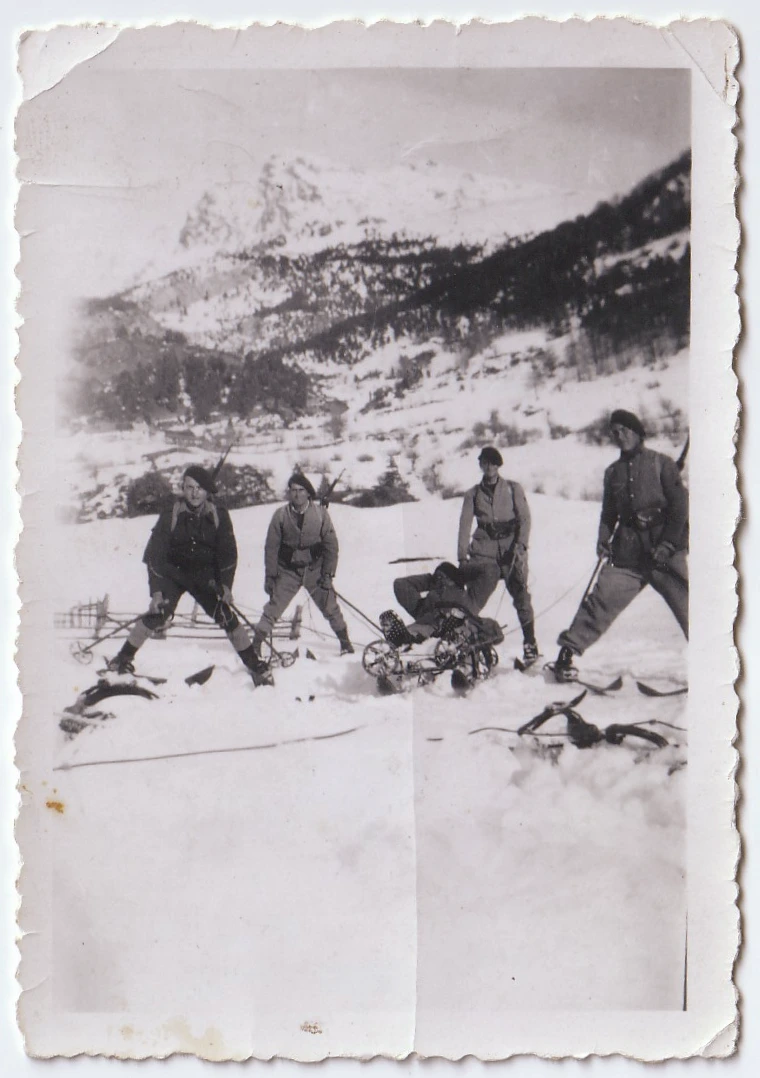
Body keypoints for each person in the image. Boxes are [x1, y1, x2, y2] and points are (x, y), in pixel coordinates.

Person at [552, 409, 689, 682]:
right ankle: (567, 653)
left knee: (689, 606)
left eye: (624, 430)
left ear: (638, 433)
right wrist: (603, 540)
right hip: (628, 555)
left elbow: (680, 508)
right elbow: (608, 514)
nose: (619, 436)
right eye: (615, 432)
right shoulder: (612, 473)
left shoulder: (661, 464)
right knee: (600, 600)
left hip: (664, 554)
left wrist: (669, 545)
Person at [108, 465, 270, 683]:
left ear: (207, 491)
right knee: (158, 613)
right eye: (190, 487)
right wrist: (156, 592)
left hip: (205, 577)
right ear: (182, 489)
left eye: (200, 488)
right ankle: (121, 659)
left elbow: (228, 554)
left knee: (226, 616)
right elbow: (154, 555)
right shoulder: (170, 514)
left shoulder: (219, 515)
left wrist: (226, 586)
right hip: (173, 574)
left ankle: (254, 664)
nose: (194, 493)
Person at [251, 473, 354, 657]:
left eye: (301, 490)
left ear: (308, 493)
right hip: (288, 571)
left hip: (315, 570)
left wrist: (328, 575)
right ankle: (256, 644)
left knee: (330, 607)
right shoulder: (281, 515)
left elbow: (331, 545)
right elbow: (271, 548)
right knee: (273, 608)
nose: (297, 495)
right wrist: (270, 576)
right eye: (293, 491)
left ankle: (345, 644)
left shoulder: (321, 514)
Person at [457, 446, 538, 664]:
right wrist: (462, 555)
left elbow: (525, 519)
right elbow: (465, 524)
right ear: (480, 465)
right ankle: (464, 644)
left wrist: (521, 545)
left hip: (511, 551)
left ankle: (530, 644)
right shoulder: (472, 494)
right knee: (473, 601)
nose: (489, 467)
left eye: (493, 463)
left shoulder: (513, 488)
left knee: (521, 596)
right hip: (484, 553)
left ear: (498, 465)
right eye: (485, 462)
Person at [381, 561, 480, 646]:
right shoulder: (436, 589)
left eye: (443, 577)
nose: (439, 580)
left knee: (414, 631)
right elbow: (401, 584)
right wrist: (429, 580)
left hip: (438, 626)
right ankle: (400, 636)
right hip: (425, 616)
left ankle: (402, 637)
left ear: (452, 579)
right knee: (412, 627)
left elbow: (468, 616)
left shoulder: (460, 594)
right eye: (437, 577)